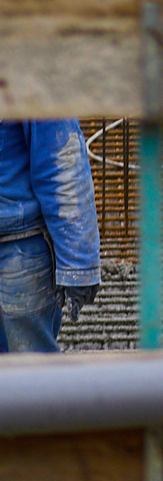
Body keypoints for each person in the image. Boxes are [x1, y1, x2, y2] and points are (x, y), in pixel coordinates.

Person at [0, 120, 100, 352]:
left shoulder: (26, 85)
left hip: (19, 248)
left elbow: (62, 163)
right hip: (19, 248)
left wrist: (79, 264)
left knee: (31, 372)